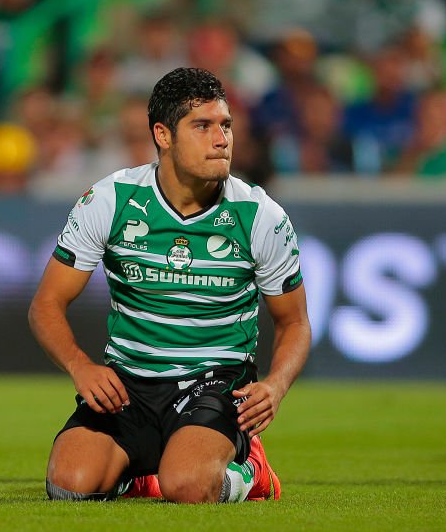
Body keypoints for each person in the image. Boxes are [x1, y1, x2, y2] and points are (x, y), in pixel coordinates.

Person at [28, 67, 311, 503]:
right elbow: (46, 304)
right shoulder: (111, 200)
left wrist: (275, 385)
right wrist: (81, 367)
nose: (222, 139)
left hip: (215, 380)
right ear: (163, 135)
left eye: (226, 126)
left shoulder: (260, 216)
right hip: (129, 382)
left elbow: (294, 322)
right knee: (69, 485)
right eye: (203, 126)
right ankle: (140, 470)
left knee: (188, 486)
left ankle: (251, 470)